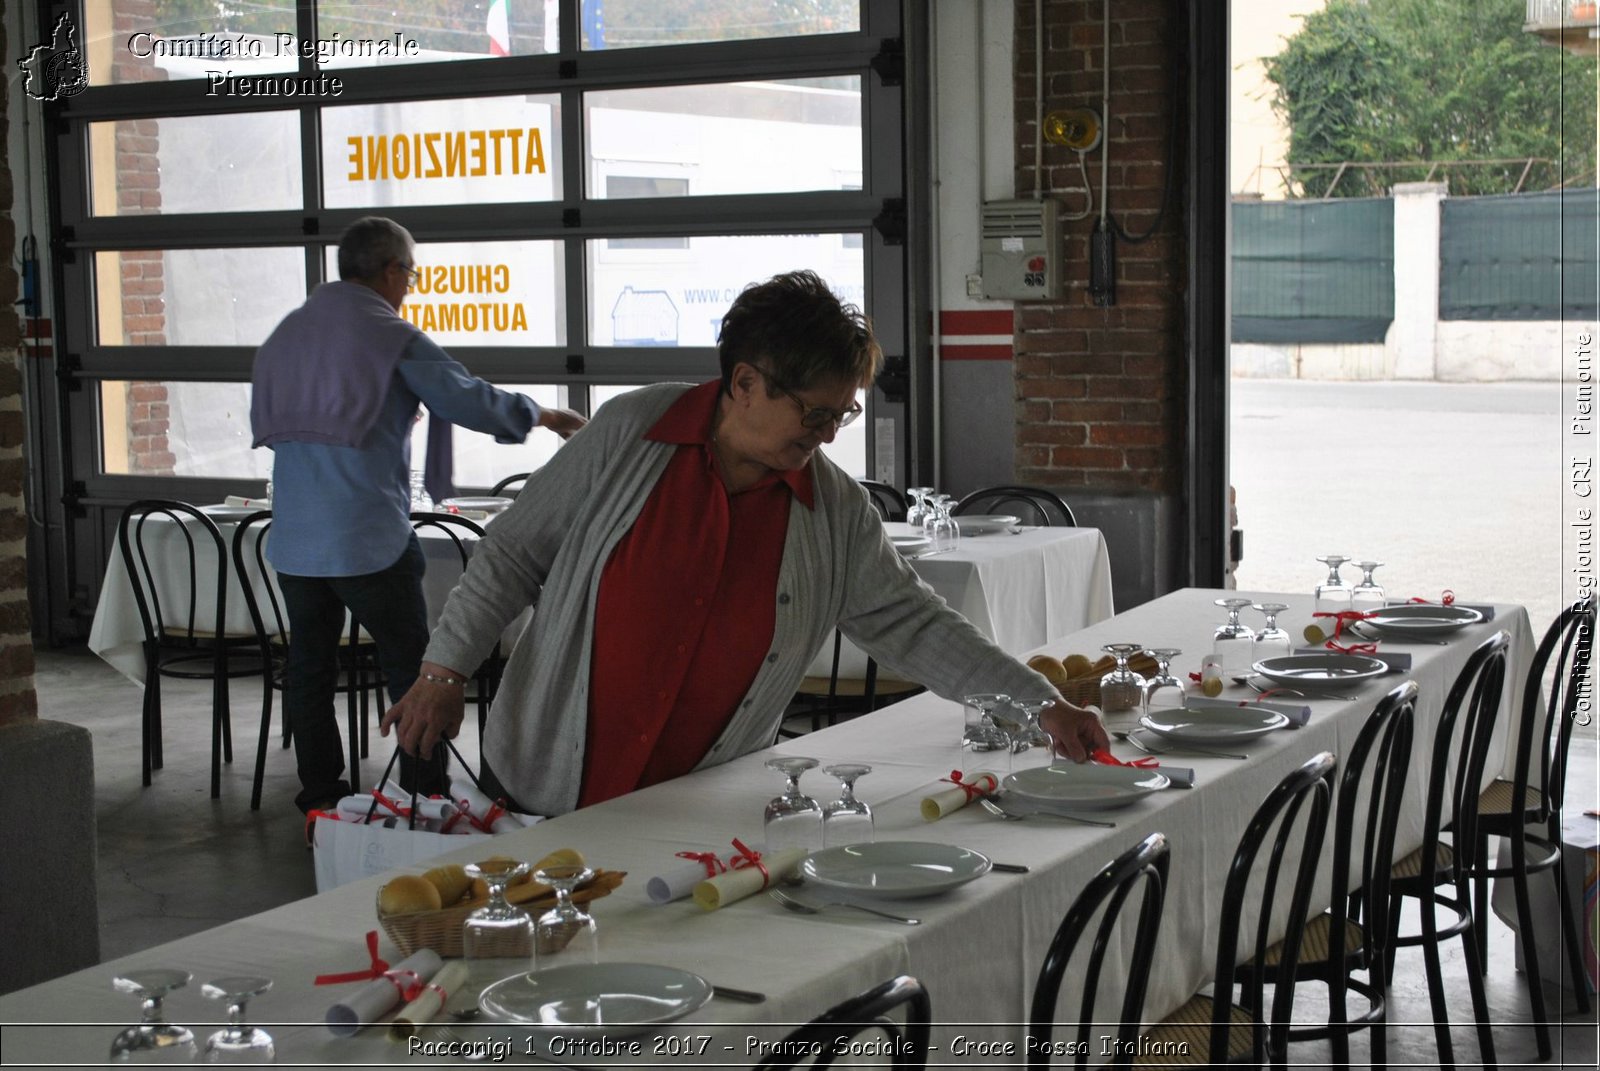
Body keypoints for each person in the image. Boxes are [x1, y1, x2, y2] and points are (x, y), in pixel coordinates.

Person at [380, 269, 1106, 816]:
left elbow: (917, 625)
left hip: (696, 797)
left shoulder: (833, 510)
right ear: (746, 382)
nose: (825, 436)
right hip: (540, 776)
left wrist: (1040, 704)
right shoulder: (632, 432)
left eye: (840, 417)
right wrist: (444, 670)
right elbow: (511, 552)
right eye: (814, 413)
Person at [251, 215, 585, 814]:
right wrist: (547, 416)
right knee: (417, 673)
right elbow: (467, 398)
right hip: (366, 537)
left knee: (308, 671)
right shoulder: (388, 334)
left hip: (296, 539)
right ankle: (421, 796)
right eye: (409, 272)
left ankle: (321, 798)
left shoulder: (287, 334)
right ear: (390, 270)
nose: (410, 284)